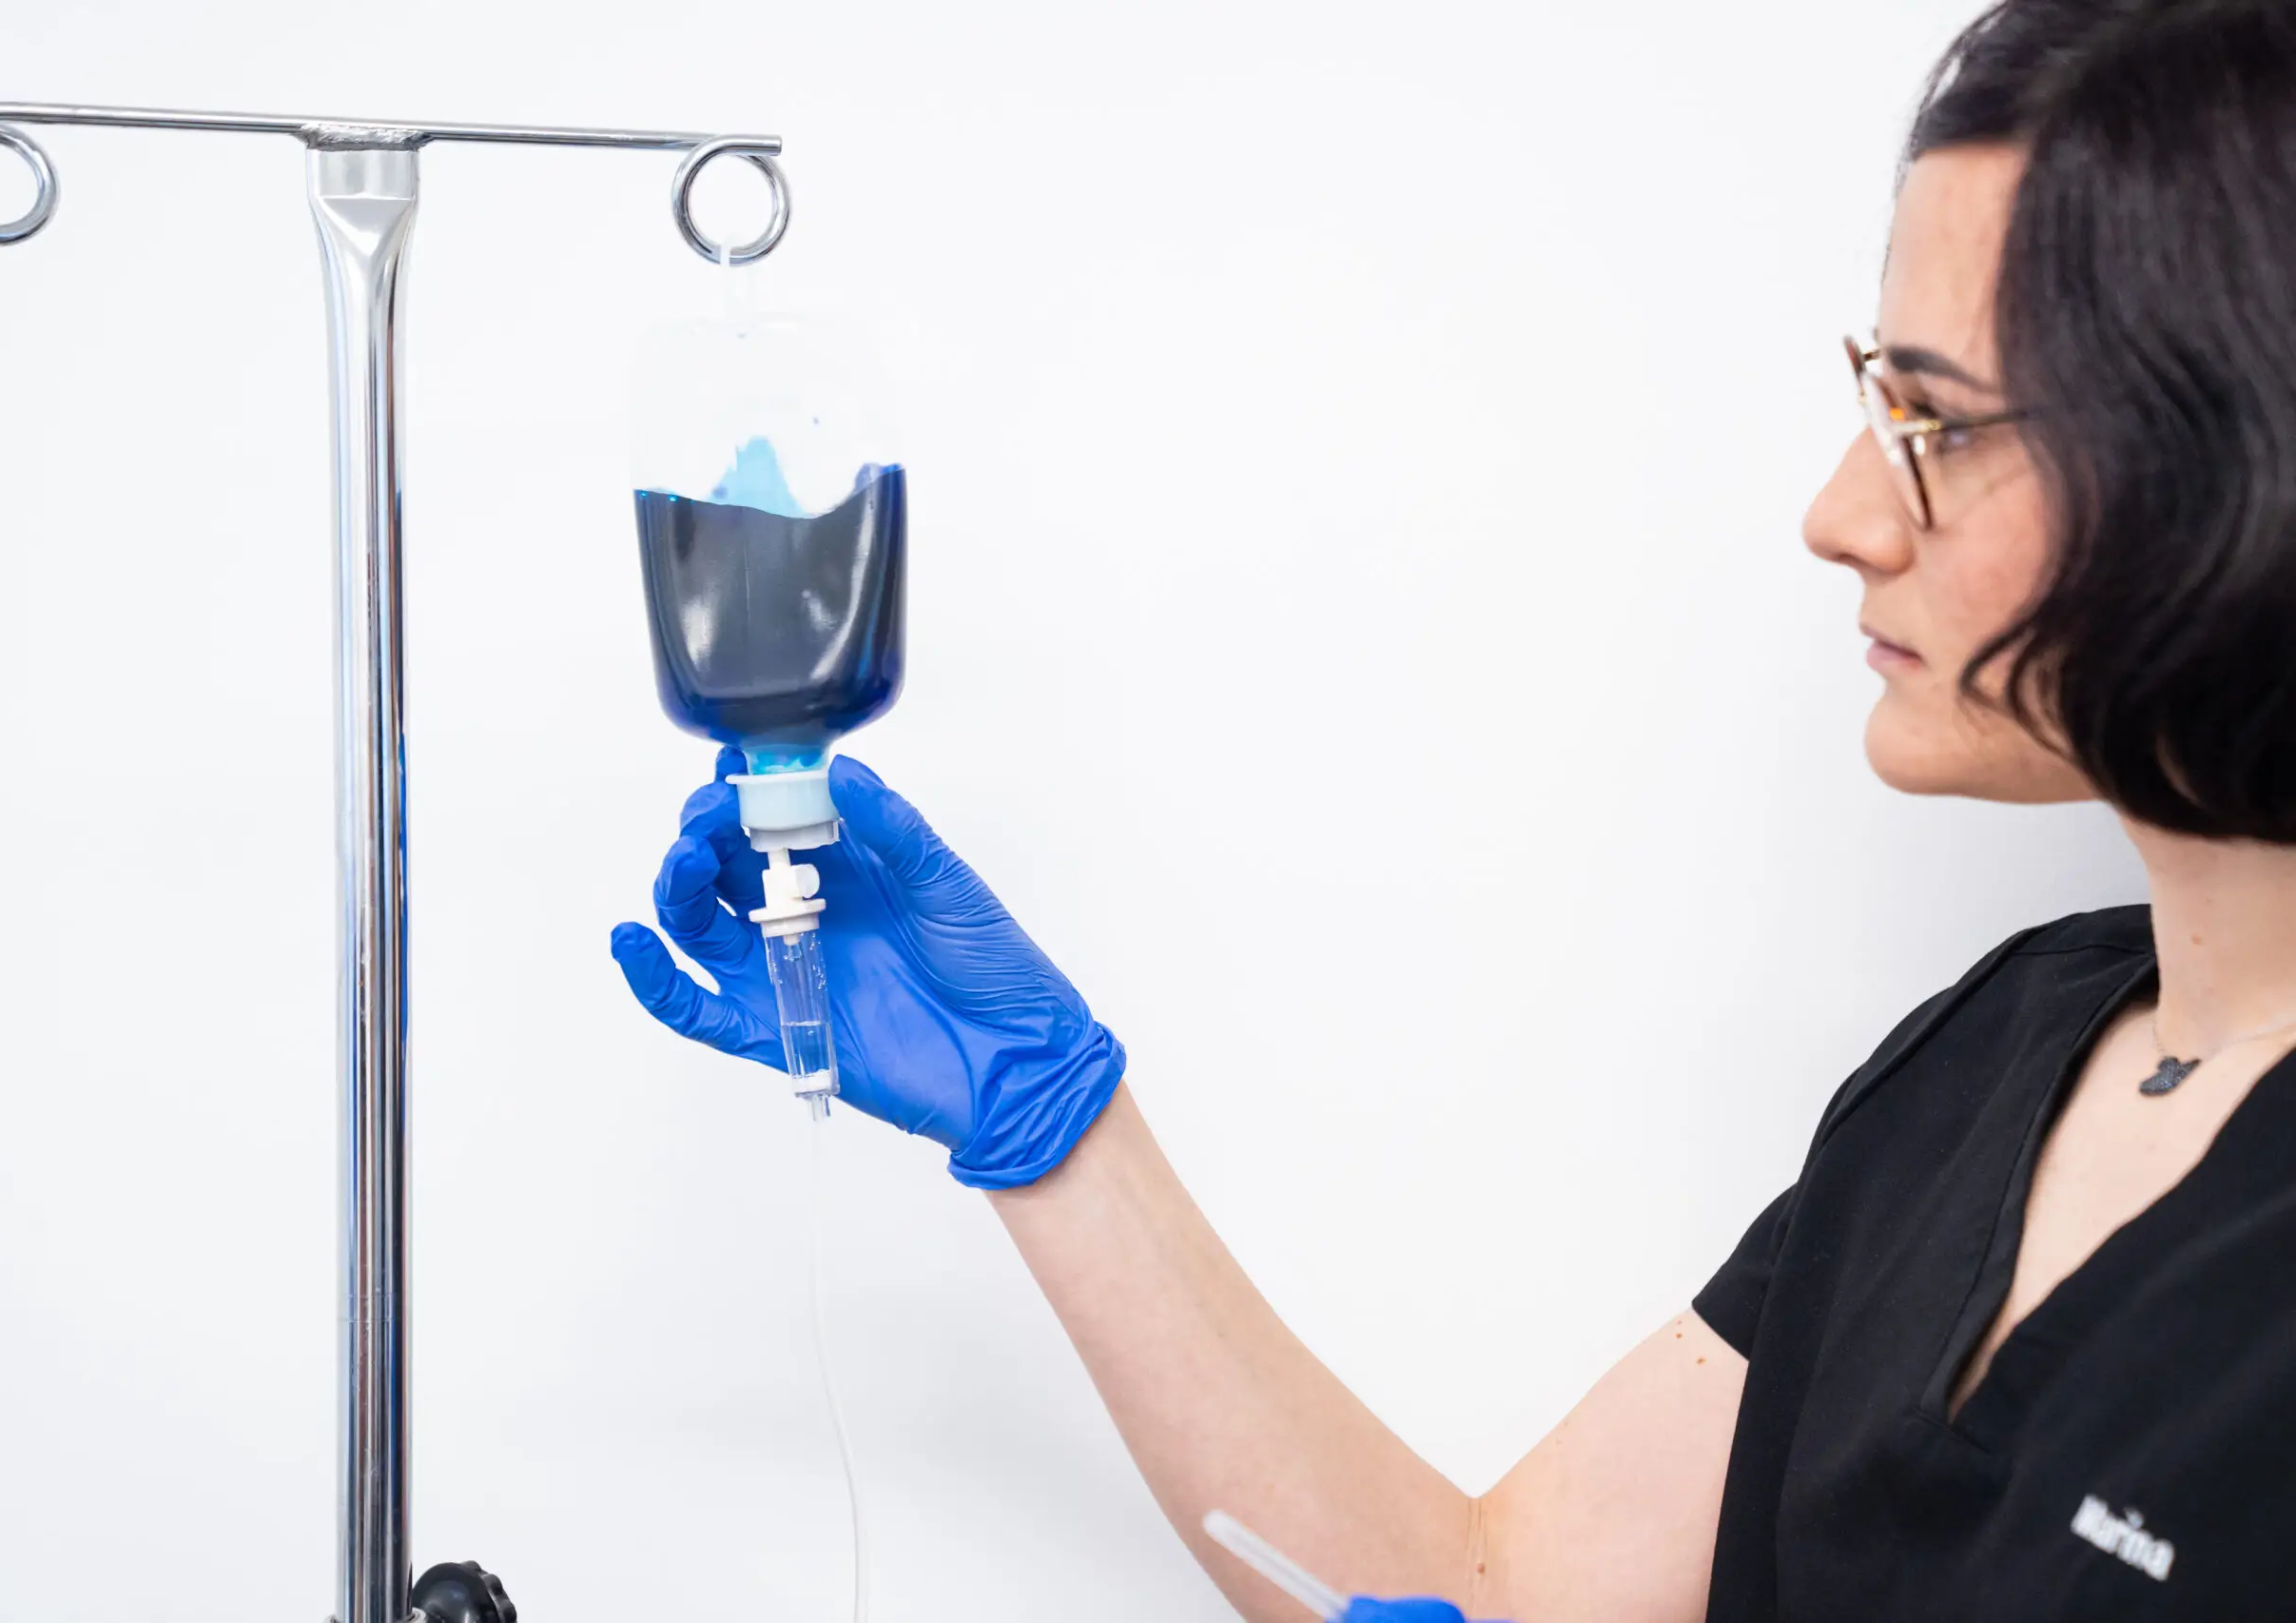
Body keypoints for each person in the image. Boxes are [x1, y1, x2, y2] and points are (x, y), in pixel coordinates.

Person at [607, 1, 2296, 1615]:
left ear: (2236, 452)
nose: (1840, 511)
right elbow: (1503, 1588)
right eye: (1875, 396)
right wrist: (1052, 1122)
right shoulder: (1983, 1064)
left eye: (1933, 421)